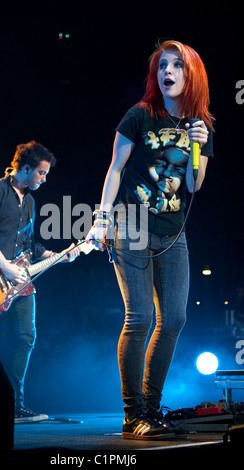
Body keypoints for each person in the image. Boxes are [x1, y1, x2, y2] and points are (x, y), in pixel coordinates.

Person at [86, 40, 214, 440]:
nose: (167, 72)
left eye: (176, 65)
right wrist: (101, 219)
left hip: (173, 231)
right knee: (139, 317)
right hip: (131, 222)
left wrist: (196, 146)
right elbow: (115, 169)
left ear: (191, 74)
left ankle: (151, 409)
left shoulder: (202, 127)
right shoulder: (141, 115)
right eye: (162, 66)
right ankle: (132, 414)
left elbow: (194, 183)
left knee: (174, 319)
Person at [0, 140, 79, 423]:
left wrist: (56, 255)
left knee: (25, 338)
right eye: (42, 173)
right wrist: (5, 266)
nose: (44, 179)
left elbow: (29, 245)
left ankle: (14, 405)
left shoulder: (30, 201)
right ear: (26, 168)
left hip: (21, 281)